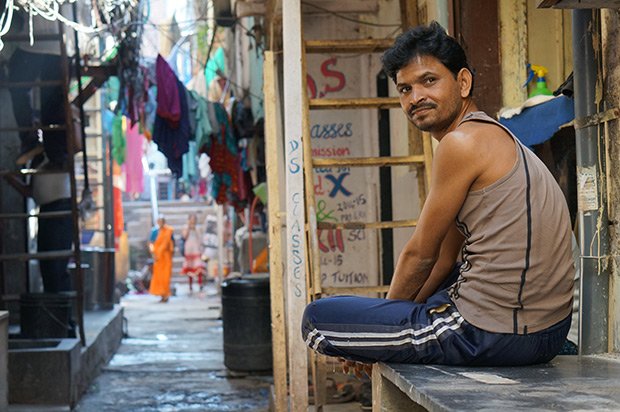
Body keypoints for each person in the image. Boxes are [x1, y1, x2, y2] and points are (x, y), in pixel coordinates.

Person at [302, 22, 575, 371]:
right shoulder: (492, 136)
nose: (415, 97)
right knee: (425, 292)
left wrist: (377, 341)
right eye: (405, 89)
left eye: (429, 81)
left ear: (463, 82)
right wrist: (379, 333)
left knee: (317, 319)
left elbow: (420, 255)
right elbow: (444, 260)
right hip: (546, 333)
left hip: (491, 334)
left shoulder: (459, 144)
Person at [7, 9, 70, 167]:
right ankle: (52, 154)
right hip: (60, 44)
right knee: (51, 101)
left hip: (39, 40)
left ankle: (33, 141)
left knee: (19, 86)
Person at [148, 215, 175, 303]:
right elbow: (151, 243)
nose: (160, 223)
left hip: (166, 257)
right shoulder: (155, 231)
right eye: (159, 221)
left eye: (162, 221)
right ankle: (161, 294)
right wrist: (153, 253)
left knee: (166, 277)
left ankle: (166, 295)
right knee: (159, 277)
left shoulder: (169, 231)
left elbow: (172, 243)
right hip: (158, 257)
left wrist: (171, 252)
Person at [180, 213, 206, 292]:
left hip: (196, 248)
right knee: (190, 268)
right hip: (189, 248)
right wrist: (188, 227)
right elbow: (184, 236)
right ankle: (190, 285)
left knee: (198, 267)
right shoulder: (185, 227)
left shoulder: (198, 228)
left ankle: (200, 283)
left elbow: (200, 238)